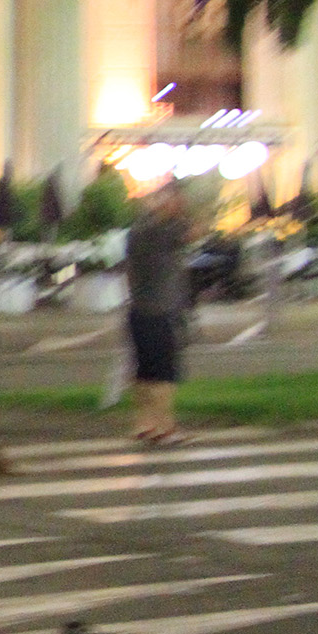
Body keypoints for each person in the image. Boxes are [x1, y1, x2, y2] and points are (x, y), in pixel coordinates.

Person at [126, 185, 194, 445]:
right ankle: (165, 426)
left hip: (138, 310)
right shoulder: (162, 233)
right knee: (164, 373)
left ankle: (143, 423)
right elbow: (191, 230)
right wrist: (177, 207)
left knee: (144, 371)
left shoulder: (137, 231)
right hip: (162, 311)